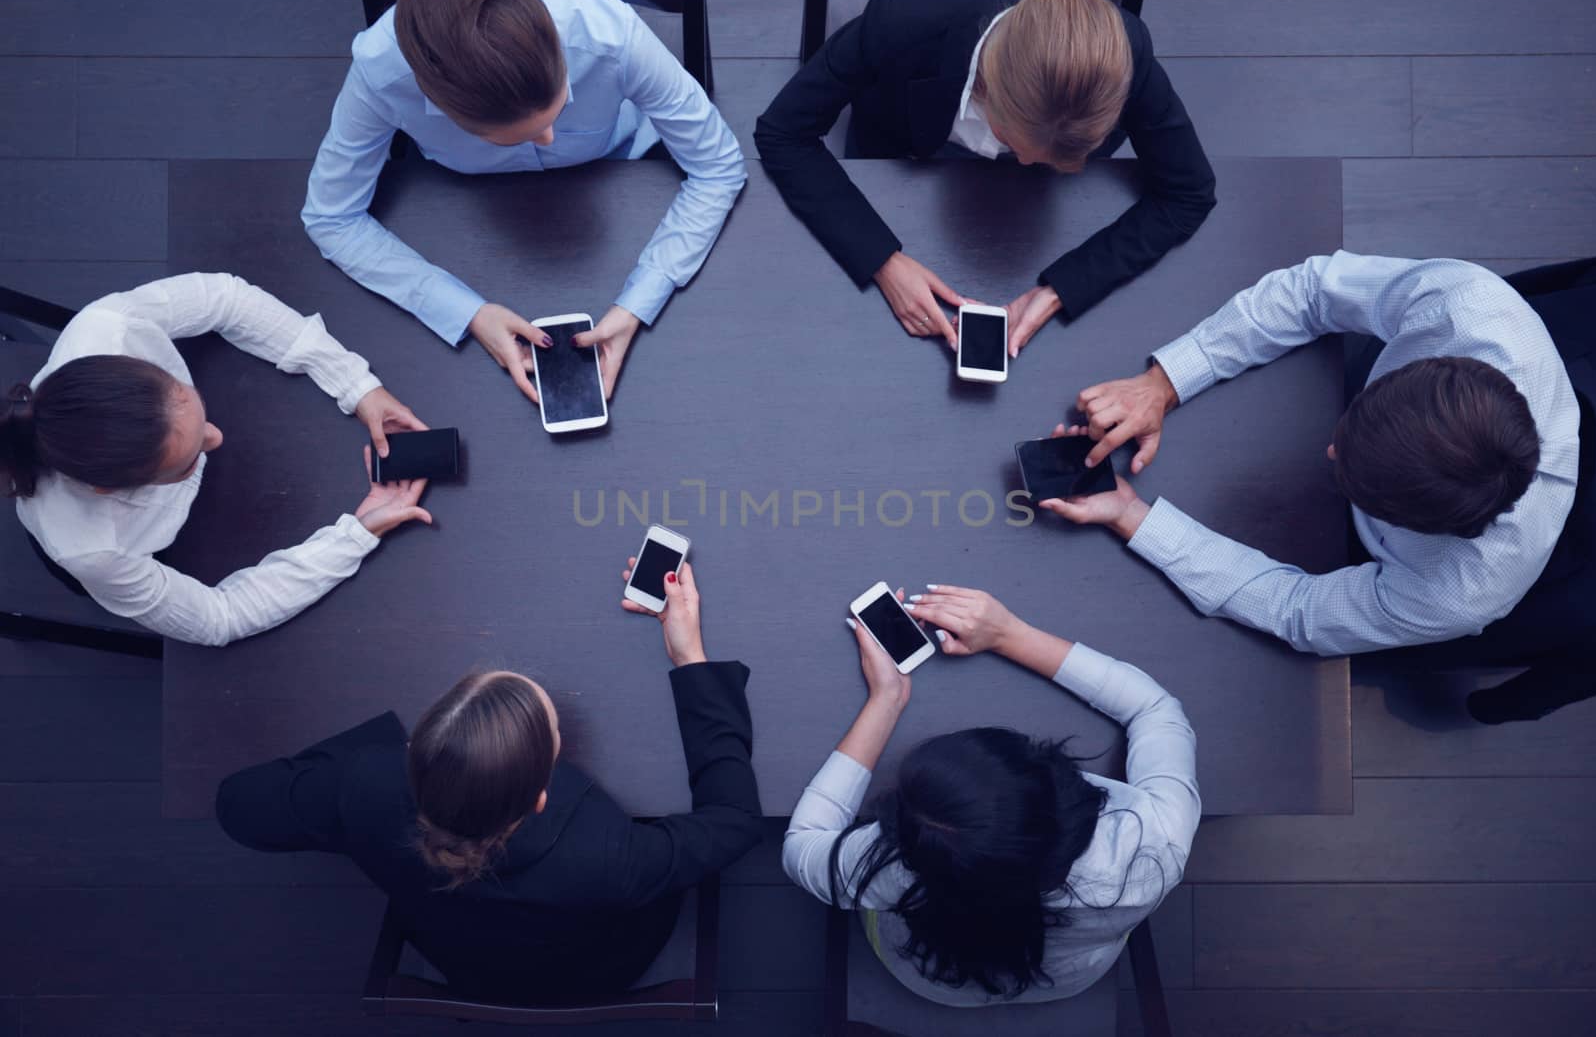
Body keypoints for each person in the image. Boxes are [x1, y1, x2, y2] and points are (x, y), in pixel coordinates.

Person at [1049, 251, 1594, 723]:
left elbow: (1298, 611)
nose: (1328, 451)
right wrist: (1163, 383)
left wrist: (1133, 517)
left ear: (1406, 522)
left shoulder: (1456, 591)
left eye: (1347, 473)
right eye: (1350, 430)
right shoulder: (1470, 306)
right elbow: (1313, 290)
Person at [215, 555, 761, 1001]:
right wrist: (691, 659)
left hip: (466, 963)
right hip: (601, 968)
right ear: (542, 798)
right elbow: (733, 821)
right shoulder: (608, 855)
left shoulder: (367, 789)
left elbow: (236, 804)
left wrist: (368, 765)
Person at [303, 0, 746, 407]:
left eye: (558, 111)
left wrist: (638, 302)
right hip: (464, 206)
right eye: (517, 136)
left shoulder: (607, 32)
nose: (550, 140)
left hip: (620, 166)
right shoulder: (380, 73)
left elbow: (719, 165)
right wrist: (466, 311)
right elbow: (331, 218)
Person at [755, 0, 1214, 356]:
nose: (1028, 161)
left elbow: (1189, 191)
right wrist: (883, 261)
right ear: (988, 86)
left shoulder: (1124, 55)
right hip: (899, 161)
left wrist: (1059, 291)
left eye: (1051, 159)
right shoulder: (901, 21)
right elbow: (782, 133)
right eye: (1011, 140)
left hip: (1032, 222)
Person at [784, 584, 1197, 1005]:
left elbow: (802, 845)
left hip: (931, 979)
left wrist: (887, 700)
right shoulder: (1154, 846)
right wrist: (1009, 635)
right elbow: (1155, 710)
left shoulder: (893, 866)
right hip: (1071, 976)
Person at [0, 273, 432, 647]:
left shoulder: (110, 328)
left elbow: (226, 299)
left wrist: (357, 386)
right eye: (188, 460)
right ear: (111, 489)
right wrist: (355, 535)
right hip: (151, 549)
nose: (218, 436)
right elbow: (219, 617)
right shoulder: (93, 552)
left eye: (194, 407)